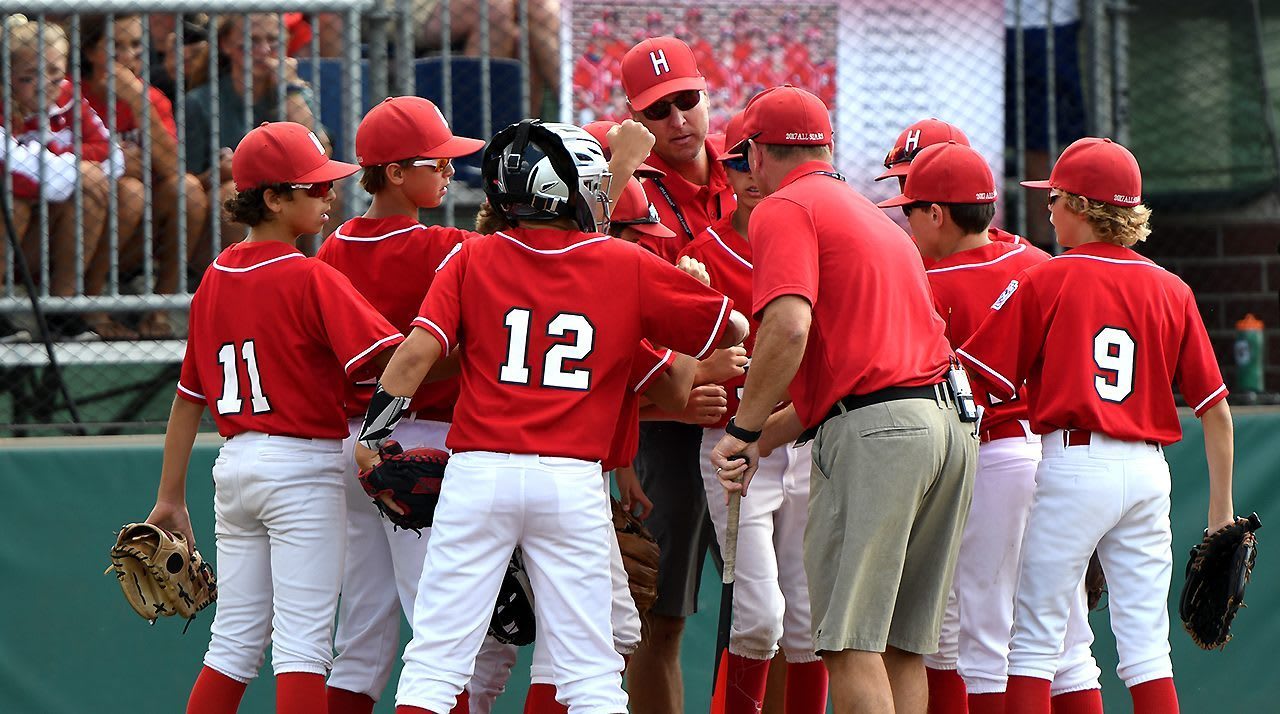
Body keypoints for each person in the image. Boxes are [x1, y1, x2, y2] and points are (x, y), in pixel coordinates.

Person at [351, 119, 749, 714]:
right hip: (569, 480)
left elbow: (415, 355)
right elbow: (731, 329)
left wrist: (373, 437)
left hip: (477, 472)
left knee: (433, 665)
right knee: (590, 673)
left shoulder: (472, 256)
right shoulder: (622, 263)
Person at [710, 86, 976, 714]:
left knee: (850, 646)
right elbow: (848, 380)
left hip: (882, 434)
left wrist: (743, 430)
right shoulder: (868, 216)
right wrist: (760, 442)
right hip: (947, 426)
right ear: (825, 147)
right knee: (902, 650)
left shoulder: (785, 207)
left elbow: (789, 328)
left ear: (753, 154)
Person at [957, 137, 1236, 714]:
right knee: (1147, 653)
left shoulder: (1048, 278)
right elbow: (1216, 412)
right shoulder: (1173, 287)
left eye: (1056, 198)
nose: (1048, 209)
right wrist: (1219, 518)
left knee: (1033, 646)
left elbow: (977, 378)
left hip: (1074, 464)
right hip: (1147, 472)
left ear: (1083, 206)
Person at [144, 121, 404, 713]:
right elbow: (392, 363)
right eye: (312, 188)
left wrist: (170, 495)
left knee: (232, 645)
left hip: (233, 468)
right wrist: (464, 355)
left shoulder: (213, 277)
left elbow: (189, 399)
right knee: (304, 649)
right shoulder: (310, 275)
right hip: (302, 467)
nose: (328, 195)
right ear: (273, 198)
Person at [876, 141, 1102, 713]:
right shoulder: (1037, 262)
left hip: (986, 461)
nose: (905, 221)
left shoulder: (927, 284)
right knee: (1070, 640)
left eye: (910, 208)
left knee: (981, 637)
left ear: (937, 214)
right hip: (1058, 457)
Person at [315, 96, 521, 714]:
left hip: (352, 446)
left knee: (363, 631)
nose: (448, 172)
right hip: (422, 442)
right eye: (435, 163)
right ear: (396, 173)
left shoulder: (331, 248)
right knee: (441, 627)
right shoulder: (446, 246)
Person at [678, 112, 827, 714]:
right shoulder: (701, 252)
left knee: (809, 622)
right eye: (733, 163)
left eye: (751, 159)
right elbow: (671, 361)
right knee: (759, 619)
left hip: (806, 437)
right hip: (734, 449)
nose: (747, 175)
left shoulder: (811, 234)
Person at [619, 36, 737, 712]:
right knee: (658, 617)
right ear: (635, 117)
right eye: (658, 110)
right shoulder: (626, 188)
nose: (678, 120)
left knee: (767, 619)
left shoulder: (749, 163)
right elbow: (596, 300)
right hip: (666, 418)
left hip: (759, 419)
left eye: (686, 100)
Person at [78, 13, 210, 338]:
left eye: (136, 45)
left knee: (189, 189)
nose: (128, 56)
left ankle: (158, 311)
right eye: (116, 46)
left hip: (141, 232)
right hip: (82, 228)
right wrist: (114, 162)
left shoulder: (151, 99)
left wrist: (138, 103)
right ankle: (91, 308)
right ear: (91, 51)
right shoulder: (71, 93)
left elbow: (172, 169)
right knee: (130, 189)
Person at [0, 15, 121, 341]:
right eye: (29, 77)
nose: (45, 84)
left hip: (49, 224)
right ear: (7, 76)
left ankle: (61, 308)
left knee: (97, 192)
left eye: (54, 72)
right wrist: (75, 169)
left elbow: (113, 155)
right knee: (14, 203)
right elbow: (8, 171)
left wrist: (63, 166)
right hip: (16, 225)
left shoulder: (68, 94)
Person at [184, 13, 329, 265]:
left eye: (273, 41)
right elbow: (188, 180)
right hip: (227, 204)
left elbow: (322, 153)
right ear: (227, 45)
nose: (264, 50)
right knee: (230, 193)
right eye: (252, 41)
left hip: (286, 192)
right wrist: (218, 172)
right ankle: (245, 276)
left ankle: (316, 274)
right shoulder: (200, 101)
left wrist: (290, 87)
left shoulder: (292, 91)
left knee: (328, 189)